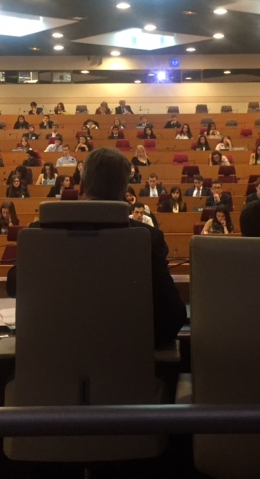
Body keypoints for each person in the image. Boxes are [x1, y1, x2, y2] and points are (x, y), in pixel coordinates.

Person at [76, 147, 186, 347]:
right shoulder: (147, 238)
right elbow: (173, 318)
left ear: (81, 186)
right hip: (130, 370)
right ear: (124, 193)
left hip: (49, 372)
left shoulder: (38, 233)